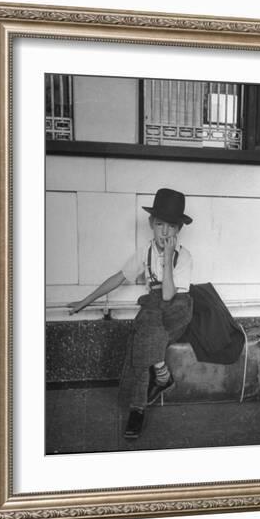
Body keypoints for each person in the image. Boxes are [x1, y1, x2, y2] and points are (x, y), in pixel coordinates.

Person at [68, 188, 193, 439]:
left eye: (171, 226)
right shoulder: (144, 253)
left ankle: (157, 383)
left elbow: (169, 295)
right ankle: (145, 397)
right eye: (160, 225)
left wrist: (168, 258)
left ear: (178, 229)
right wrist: (85, 300)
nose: (165, 232)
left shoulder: (184, 256)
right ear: (151, 224)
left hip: (178, 309)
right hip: (154, 313)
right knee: (146, 329)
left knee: (149, 321)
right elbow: (118, 278)